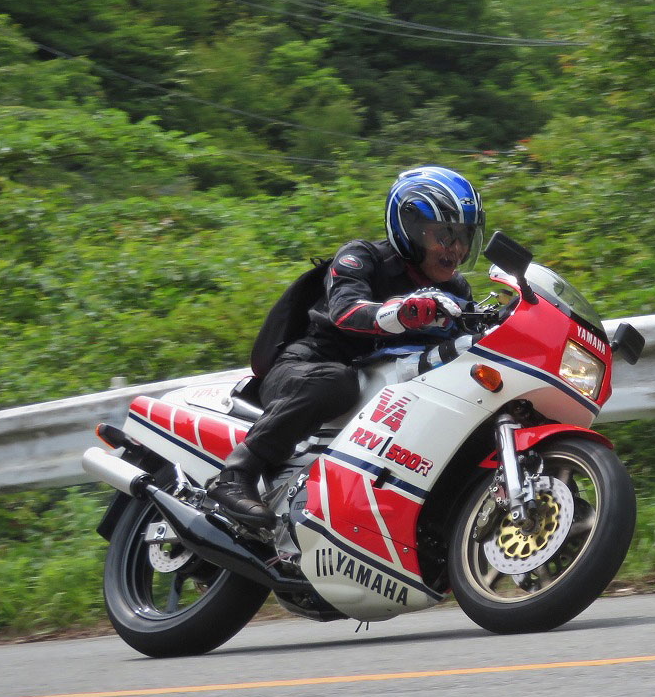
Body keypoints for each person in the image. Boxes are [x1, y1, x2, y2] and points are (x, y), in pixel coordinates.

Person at [207, 165, 484, 530]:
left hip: (384, 391)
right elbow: (346, 310)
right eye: (445, 236)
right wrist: (401, 312)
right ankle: (235, 475)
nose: (457, 250)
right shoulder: (362, 257)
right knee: (335, 381)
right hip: (307, 367)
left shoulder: (456, 289)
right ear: (410, 229)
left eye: (464, 237)